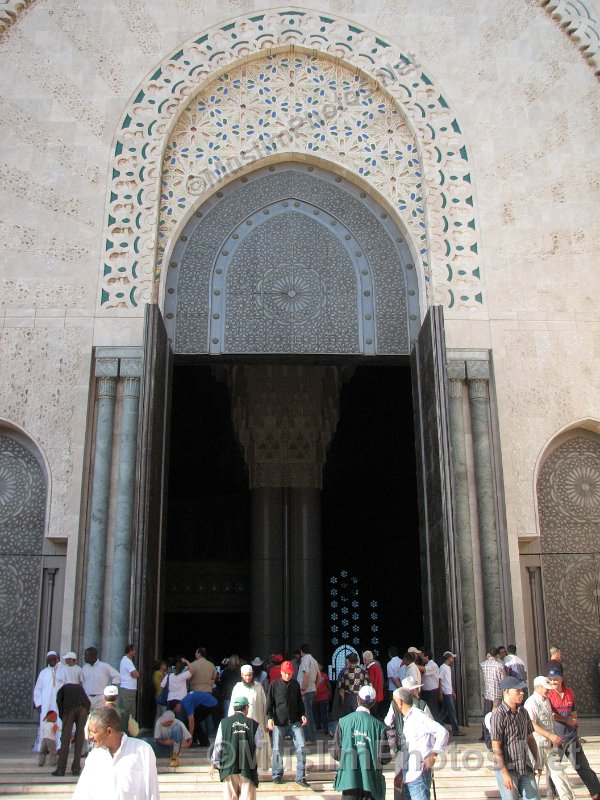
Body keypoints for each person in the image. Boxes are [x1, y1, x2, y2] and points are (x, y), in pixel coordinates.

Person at [73, 706, 160, 800]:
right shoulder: (94, 756)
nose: (90, 736)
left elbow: (152, 793)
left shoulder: (142, 751)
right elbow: (82, 794)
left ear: (109, 731)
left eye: (93, 732)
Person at [547, 668, 600, 799]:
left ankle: (596, 793)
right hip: (556, 738)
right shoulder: (548, 694)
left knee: (583, 766)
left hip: (571, 737)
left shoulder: (569, 692)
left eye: (555, 679)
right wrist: (567, 720)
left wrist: (575, 725)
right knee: (553, 770)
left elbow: (573, 710)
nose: (553, 682)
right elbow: (551, 714)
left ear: (561, 679)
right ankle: (553, 796)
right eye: (551, 680)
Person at [331, 685, 390, 800]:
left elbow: (336, 753)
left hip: (349, 780)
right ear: (373, 703)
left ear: (357, 699)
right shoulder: (379, 727)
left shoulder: (343, 722)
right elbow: (384, 758)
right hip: (371, 783)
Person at [490, 675, 540, 800]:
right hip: (508, 768)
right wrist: (504, 773)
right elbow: (496, 747)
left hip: (525, 767)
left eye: (522, 690)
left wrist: (537, 761)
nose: (522, 693)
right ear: (507, 691)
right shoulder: (498, 716)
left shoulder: (523, 713)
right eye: (518, 690)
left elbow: (530, 739)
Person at [393, 687, 449, 800]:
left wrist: (433, 755)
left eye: (394, 701)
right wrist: (401, 773)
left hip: (418, 775)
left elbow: (442, 732)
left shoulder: (418, 716)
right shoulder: (408, 719)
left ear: (399, 702)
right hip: (409, 775)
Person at [524, 676, 574, 800]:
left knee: (558, 771)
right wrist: (550, 735)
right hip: (537, 742)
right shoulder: (531, 702)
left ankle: (567, 798)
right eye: (546, 688)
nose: (548, 690)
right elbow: (532, 724)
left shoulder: (546, 701)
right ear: (538, 687)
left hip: (550, 743)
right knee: (536, 773)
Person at [210, 694, 265, 800]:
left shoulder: (224, 723)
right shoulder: (253, 724)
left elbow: (218, 744)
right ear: (246, 708)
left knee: (230, 797)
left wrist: (215, 763)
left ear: (234, 709)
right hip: (248, 766)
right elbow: (260, 744)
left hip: (228, 767)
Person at [266, 659, 308, 787]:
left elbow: (299, 702)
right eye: (285, 673)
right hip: (279, 721)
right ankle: (277, 774)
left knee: (301, 747)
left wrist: (303, 715)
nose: (287, 675)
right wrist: (269, 718)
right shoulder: (274, 684)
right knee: (277, 748)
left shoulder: (295, 684)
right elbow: (270, 703)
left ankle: (300, 776)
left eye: (289, 673)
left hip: (295, 720)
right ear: (281, 672)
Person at [229, 664, 271, 770]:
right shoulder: (237, 688)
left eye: (250, 675)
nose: (248, 678)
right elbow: (232, 706)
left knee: (258, 745)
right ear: (242, 675)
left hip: (257, 721)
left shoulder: (258, 687)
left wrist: (267, 722)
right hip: (241, 723)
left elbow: (264, 705)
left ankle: (258, 767)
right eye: (246, 675)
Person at [53, 681, 90, 777]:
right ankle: (76, 768)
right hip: (83, 708)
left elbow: (59, 705)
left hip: (69, 708)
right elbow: (88, 703)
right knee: (80, 736)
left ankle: (61, 769)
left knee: (65, 739)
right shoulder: (79, 689)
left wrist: (63, 720)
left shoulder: (61, 691)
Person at [33, 651, 66, 752]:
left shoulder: (63, 671)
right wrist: (38, 704)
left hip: (58, 702)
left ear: (58, 659)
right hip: (46, 702)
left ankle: (59, 746)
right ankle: (44, 746)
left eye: (54, 659)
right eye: (50, 660)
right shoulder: (43, 673)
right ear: (47, 660)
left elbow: (67, 686)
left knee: (59, 723)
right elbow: (37, 689)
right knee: (45, 724)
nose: (52, 661)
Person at [480, 648, 506, 740]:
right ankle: (497, 735)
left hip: (487, 693)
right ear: (497, 655)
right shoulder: (499, 666)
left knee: (486, 715)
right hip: (497, 694)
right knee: (497, 716)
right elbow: (503, 681)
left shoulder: (483, 664)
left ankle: (485, 735)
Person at [437, 651, 465, 736]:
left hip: (448, 691)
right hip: (446, 693)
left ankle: (436, 724)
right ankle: (456, 730)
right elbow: (440, 680)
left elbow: (448, 682)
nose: (453, 659)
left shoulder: (447, 668)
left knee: (444, 712)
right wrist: (440, 693)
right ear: (448, 658)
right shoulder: (443, 667)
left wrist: (452, 691)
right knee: (452, 712)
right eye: (452, 657)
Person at [297, 644, 320, 743]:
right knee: (309, 713)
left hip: (306, 691)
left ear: (301, 651)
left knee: (306, 715)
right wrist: (315, 687)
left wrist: (303, 688)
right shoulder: (314, 660)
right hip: (312, 690)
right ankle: (311, 736)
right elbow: (319, 675)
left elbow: (306, 674)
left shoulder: (305, 660)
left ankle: (309, 737)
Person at [118, 644, 139, 720]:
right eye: (134, 650)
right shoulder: (127, 661)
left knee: (130, 711)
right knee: (128, 711)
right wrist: (136, 673)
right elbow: (135, 674)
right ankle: (126, 730)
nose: (135, 652)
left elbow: (133, 674)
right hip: (128, 688)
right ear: (130, 651)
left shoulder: (127, 660)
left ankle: (129, 730)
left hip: (128, 688)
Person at [363, 650, 384, 719]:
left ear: (365, 659)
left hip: (373, 696)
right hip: (377, 694)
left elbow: (370, 684)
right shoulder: (375, 667)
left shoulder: (371, 669)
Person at [420, 652, 440, 719]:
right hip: (427, 692)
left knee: (433, 710)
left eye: (423, 656)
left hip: (432, 692)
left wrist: (412, 664)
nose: (422, 658)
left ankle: (436, 724)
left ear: (427, 657)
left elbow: (423, 669)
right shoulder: (427, 664)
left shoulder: (433, 665)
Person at [314, 662, 331, 735]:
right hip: (315, 697)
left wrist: (330, 692)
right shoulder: (313, 675)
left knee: (324, 713)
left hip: (323, 697)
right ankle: (318, 727)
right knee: (316, 713)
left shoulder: (324, 675)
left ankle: (325, 728)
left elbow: (328, 685)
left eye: (319, 665)